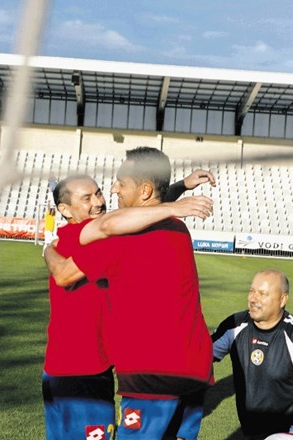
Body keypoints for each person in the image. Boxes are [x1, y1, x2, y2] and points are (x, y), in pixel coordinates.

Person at [45, 147, 215, 439]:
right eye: (89, 197)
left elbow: (65, 272)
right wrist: (179, 191)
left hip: (151, 375)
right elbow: (147, 209)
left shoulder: (119, 240)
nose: (110, 193)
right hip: (194, 368)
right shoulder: (176, 228)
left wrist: (47, 248)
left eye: (119, 183)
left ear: (146, 190)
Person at [212, 269, 293, 440]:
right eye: (252, 291)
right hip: (252, 432)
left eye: (263, 294)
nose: (253, 299)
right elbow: (200, 356)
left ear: (283, 299)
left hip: (292, 431)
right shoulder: (235, 326)